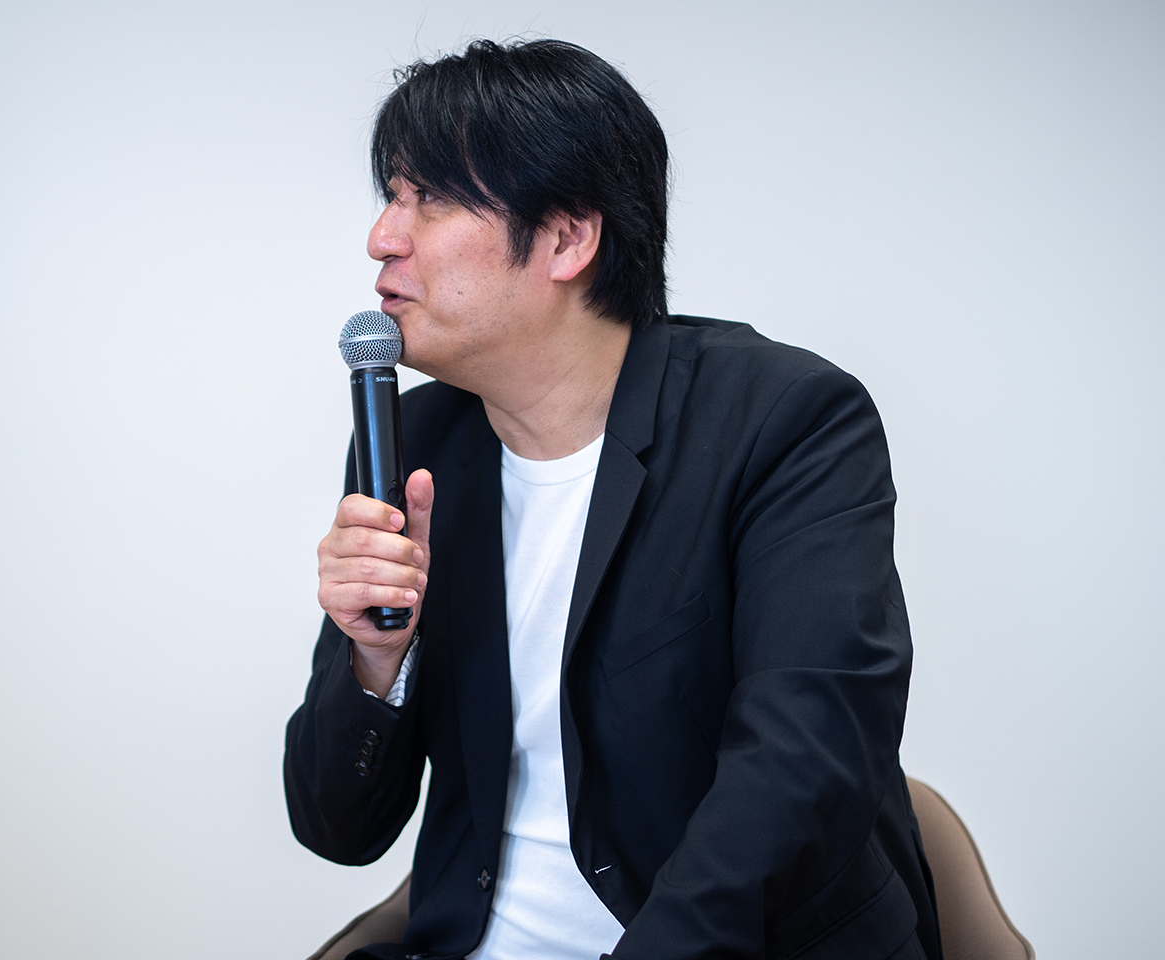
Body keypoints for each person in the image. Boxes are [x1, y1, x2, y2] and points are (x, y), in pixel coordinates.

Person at [285, 38, 941, 960]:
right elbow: (336, 825)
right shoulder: (414, 444)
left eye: (428, 198)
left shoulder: (785, 420)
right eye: (390, 195)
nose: (383, 238)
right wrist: (375, 658)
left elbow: (803, 770)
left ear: (567, 239)